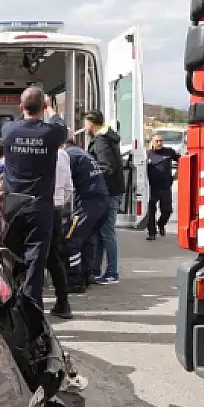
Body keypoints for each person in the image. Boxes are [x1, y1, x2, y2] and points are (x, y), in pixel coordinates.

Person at [1, 86, 68, 310]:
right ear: (44, 106)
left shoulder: (8, 129)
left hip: (12, 206)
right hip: (39, 206)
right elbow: (62, 126)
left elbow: (23, 118)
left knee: (10, 256)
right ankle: (31, 306)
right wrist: (49, 110)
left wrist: (29, 108)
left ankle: (9, 302)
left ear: (21, 107)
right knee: (36, 259)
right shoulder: (51, 132)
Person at [62, 132, 110, 294]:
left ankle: (75, 282)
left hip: (87, 203)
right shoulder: (83, 153)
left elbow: (64, 181)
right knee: (87, 239)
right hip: (102, 201)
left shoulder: (68, 155)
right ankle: (86, 275)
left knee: (72, 239)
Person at [81, 110, 125, 284]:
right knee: (102, 232)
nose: (84, 126)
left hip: (109, 191)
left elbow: (107, 167)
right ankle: (98, 270)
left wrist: (90, 174)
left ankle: (112, 272)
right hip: (112, 190)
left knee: (107, 232)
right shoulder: (106, 138)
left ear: (91, 123)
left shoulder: (101, 141)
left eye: (85, 123)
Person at [47, 136, 74, 318]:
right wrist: (59, 204)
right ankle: (63, 302)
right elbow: (69, 188)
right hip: (54, 209)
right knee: (54, 257)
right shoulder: (61, 154)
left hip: (30, 207)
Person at [146, 134, 179, 241]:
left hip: (165, 186)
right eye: (157, 141)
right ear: (152, 142)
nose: (159, 143)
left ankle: (160, 224)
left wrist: (177, 174)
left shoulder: (169, 152)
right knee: (151, 211)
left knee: (167, 210)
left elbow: (182, 161)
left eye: (161, 141)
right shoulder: (147, 154)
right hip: (152, 188)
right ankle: (151, 233)